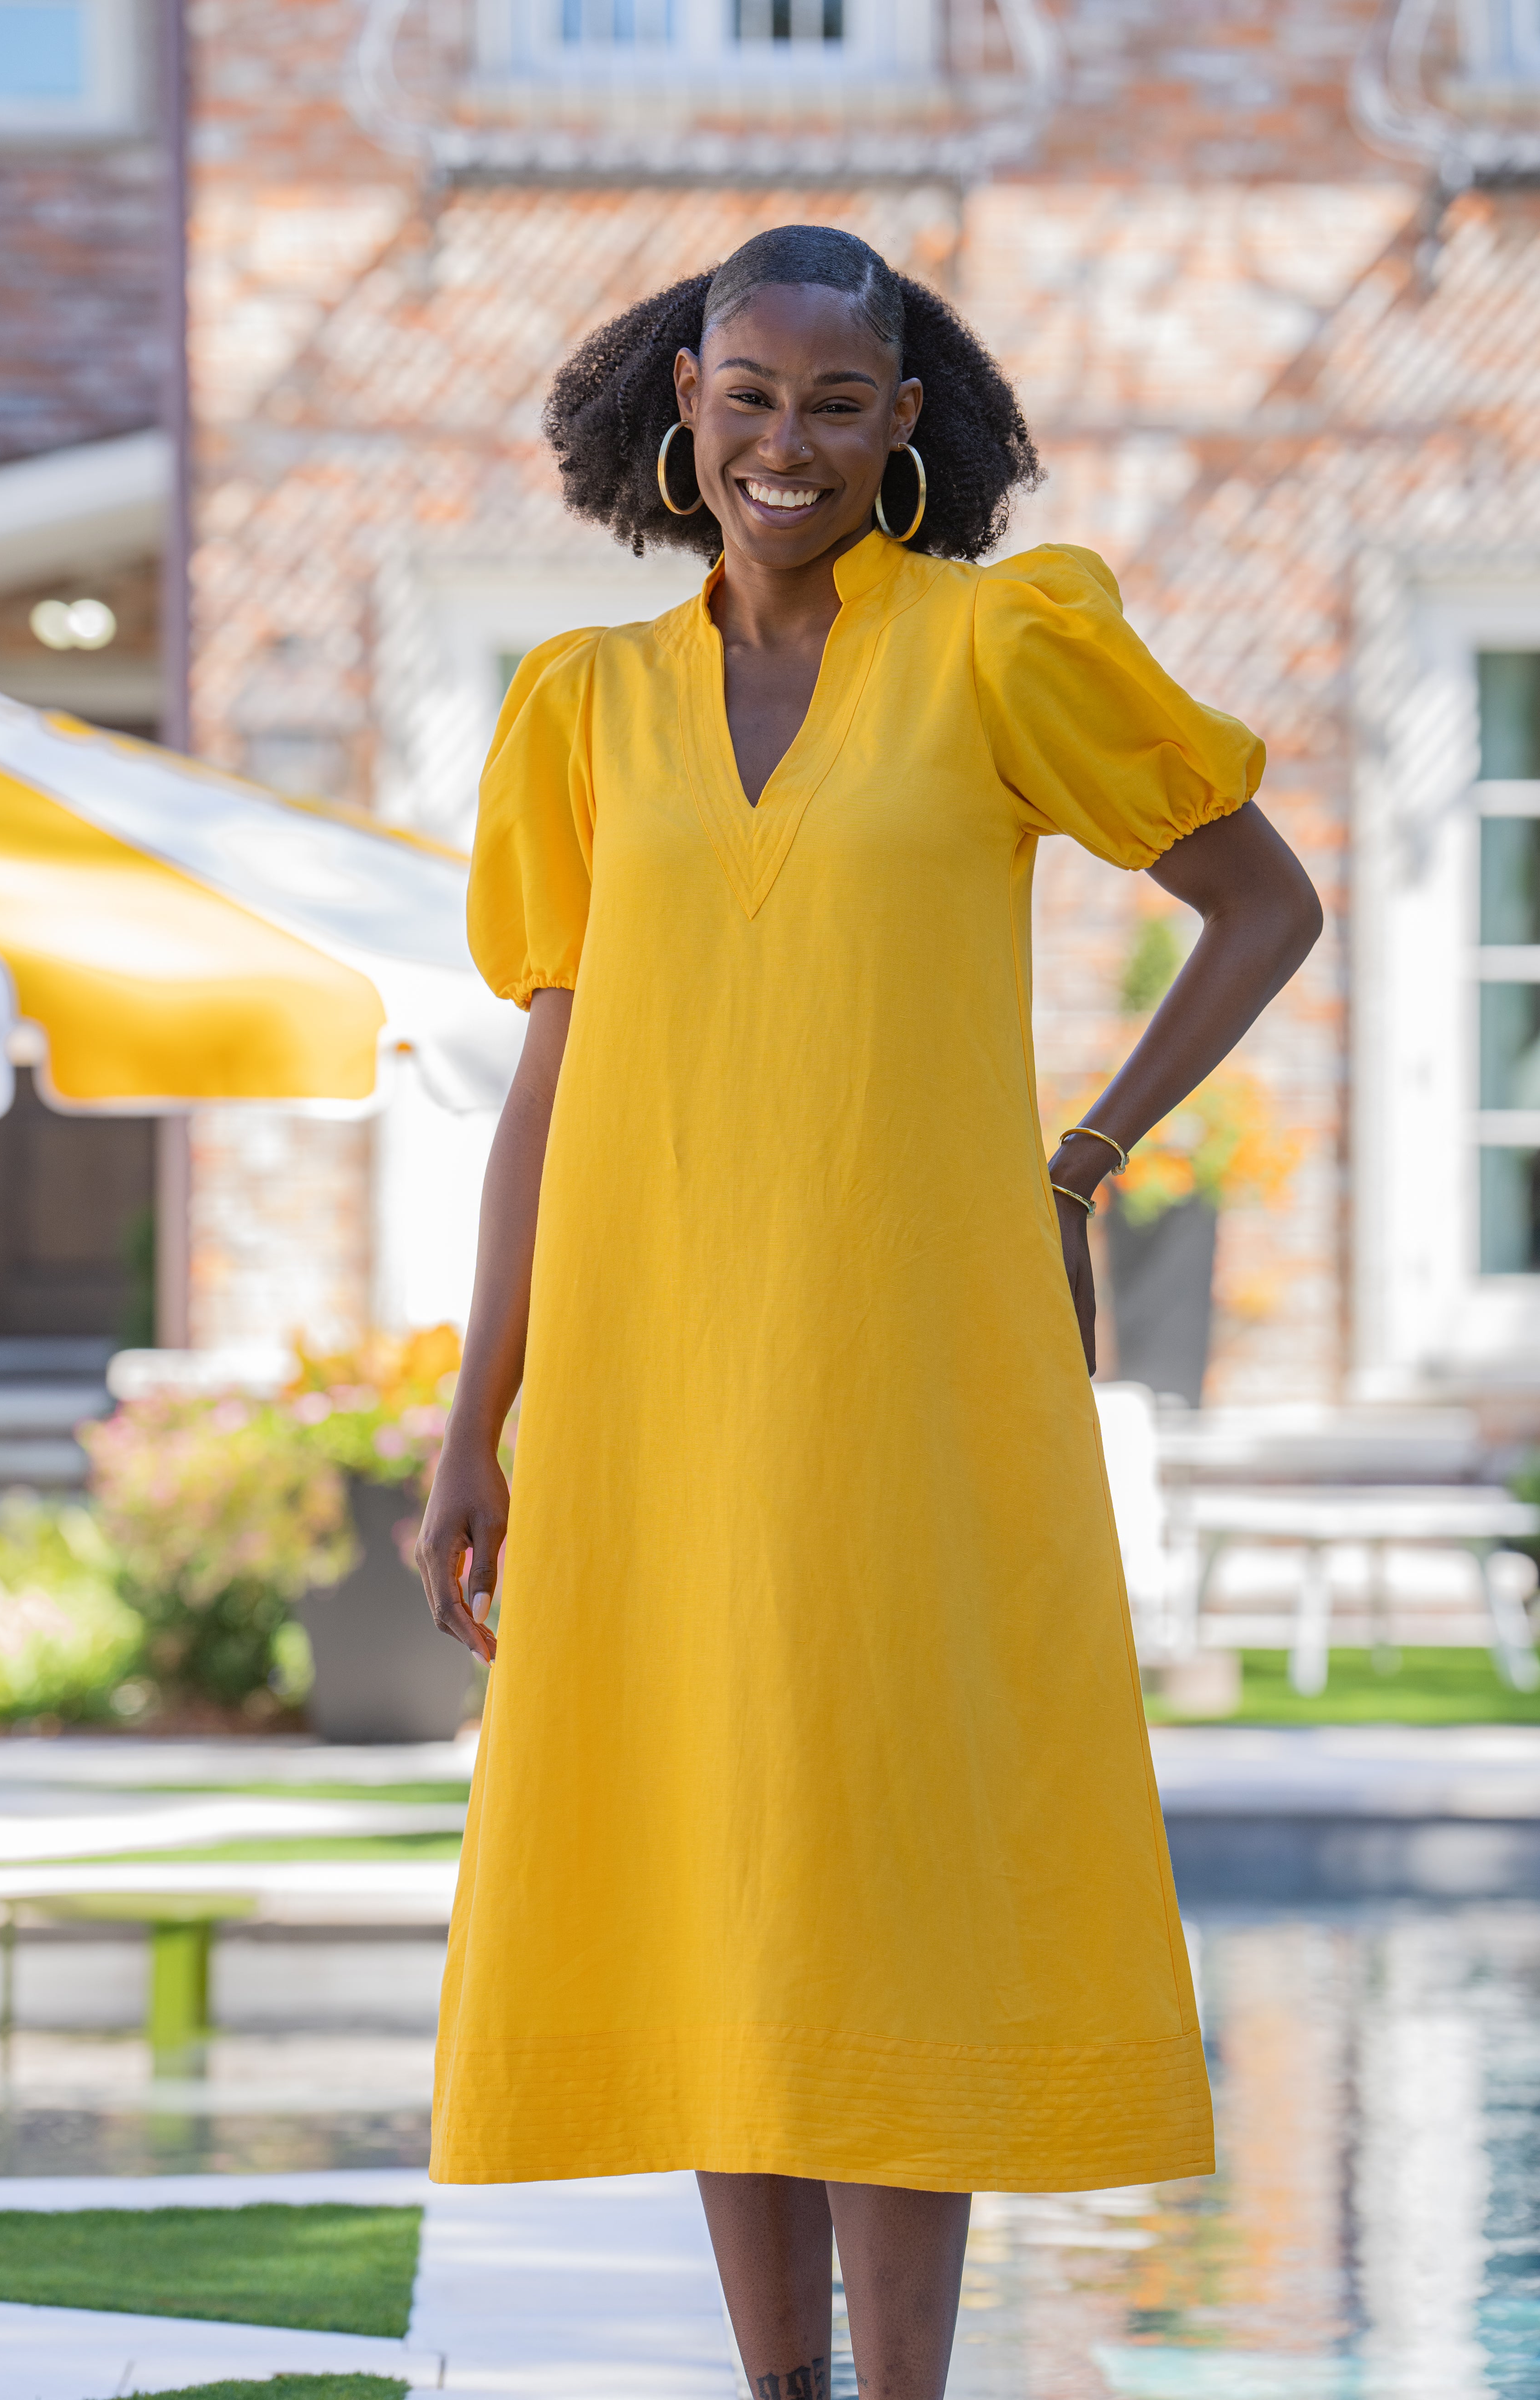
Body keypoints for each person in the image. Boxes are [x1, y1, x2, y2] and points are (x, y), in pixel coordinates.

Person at [416, 223, 1321, 2400]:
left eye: (837, 403)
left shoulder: (998, 648)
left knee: (887, 1866)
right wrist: (480, 1406)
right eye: (748, 395)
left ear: (905, 427)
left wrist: (1080, 1157)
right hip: (653, 1372)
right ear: (683, 403)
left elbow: (1257, 897)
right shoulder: (582, 703)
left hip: (908, 1361)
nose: (784, 443)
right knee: (727, 1867)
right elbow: (554, 1060)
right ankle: (780, 2391)